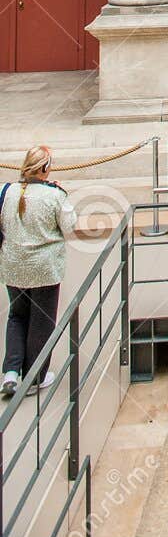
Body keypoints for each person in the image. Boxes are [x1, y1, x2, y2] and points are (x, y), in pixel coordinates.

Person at [1, 146, 77, 398]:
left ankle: (11, 372)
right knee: (41, 321)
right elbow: (69, 225)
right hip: (44, 269)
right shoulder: (53, 195)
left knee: (17, 316)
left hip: (14, 266)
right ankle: (34, 377)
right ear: (45, 167)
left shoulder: (7, 191)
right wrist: (62, 193)